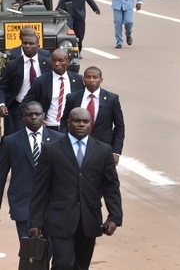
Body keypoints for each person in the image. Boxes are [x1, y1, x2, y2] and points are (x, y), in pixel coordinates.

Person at [29, 107, 123, 269]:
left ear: (91, 124)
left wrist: (114, 216)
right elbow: (40, 188)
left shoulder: (103, 150)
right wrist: (35, 221)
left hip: (89, 220)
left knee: (81, 266)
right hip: (59, 219)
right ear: (68, 123)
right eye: (76, 121)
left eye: (85, 121)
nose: (81, 124)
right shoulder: (52, 149)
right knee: (63, 263)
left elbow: (111, 186)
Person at [0, 102, 63, 239]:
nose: (33, 117)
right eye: (29, 115)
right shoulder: (10, 141)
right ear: (23, 118)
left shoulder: (58, 140)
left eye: (37, 114)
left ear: (43, 116)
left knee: (50, 250)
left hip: (52, 205)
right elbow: (1, 175)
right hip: (23, 204)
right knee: (30, 250)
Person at [60, 66, 125, 165]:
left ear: (101, 80)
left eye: (95, 77)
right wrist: (65, 141)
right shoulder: (73, 97)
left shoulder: (112, 99)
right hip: (76, 145)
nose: (91, 80)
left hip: (102, 147)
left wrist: (116, 152)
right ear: (83, 79)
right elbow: (64, 121)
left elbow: (119, 127)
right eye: (88, 77)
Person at [20, 48, 84, 130]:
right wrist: (36, 118)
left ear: (68, 62)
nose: (56, 64)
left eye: (61, 61)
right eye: (54, 60)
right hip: (48, 127)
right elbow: (24, 105)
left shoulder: (78, 80)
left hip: (69, 128)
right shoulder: (41, 81)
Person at [0, 34, 51, 136]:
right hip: (19, 108)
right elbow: (3, 87)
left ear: (38, 46)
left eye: (31, 43)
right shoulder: (13, 65)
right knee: (19, 138)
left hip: (42, 107)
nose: (27, 46)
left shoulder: (47, 63)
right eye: (25, 43)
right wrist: (2, 104)